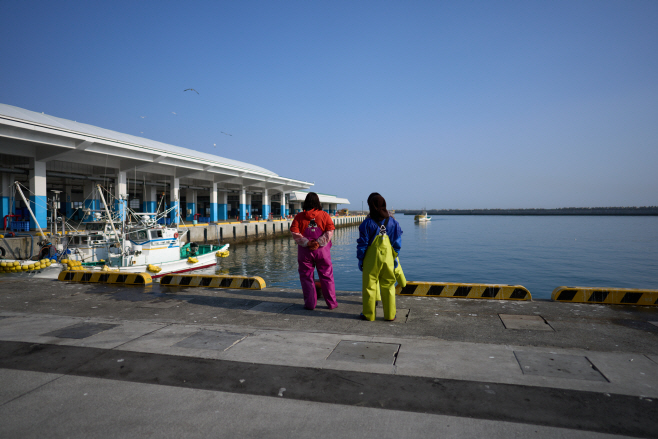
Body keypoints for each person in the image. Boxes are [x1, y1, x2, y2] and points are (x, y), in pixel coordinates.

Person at [356, 193, 402, 321]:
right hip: (388, 258)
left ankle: (369, 314)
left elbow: (362, 244)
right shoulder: (393, 222)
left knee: (369, 286)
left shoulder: (367, 223)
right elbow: (397, 242)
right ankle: (390, 315)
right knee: (388, 285)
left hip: (371, 260)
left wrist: (361, 259)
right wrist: (395, 256)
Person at [290, 192, 338, 310]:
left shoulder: (299, 217)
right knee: (327, 276)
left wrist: (307, 242)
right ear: (318, 202)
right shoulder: (324, 215)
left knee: (306, 277)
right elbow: (330, 231)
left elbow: (295, 233)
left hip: (305, 252)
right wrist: (319, 242)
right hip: (322, 252)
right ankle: (331, 303)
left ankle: (310, 304)